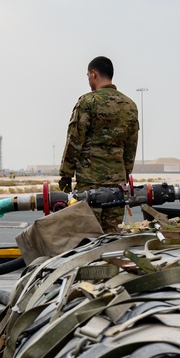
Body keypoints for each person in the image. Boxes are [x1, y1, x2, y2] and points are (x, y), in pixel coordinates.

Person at [59, 56, 139, 232]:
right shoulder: (130, 106)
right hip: (116, 186)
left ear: (94, 74)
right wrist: (123, 176)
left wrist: (66, 175)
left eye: (88, 75)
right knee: (112, 236)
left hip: (89, 184)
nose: (88, 79)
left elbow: (74, 141)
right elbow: (131, 147)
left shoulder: (88, 102)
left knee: (87, 236)